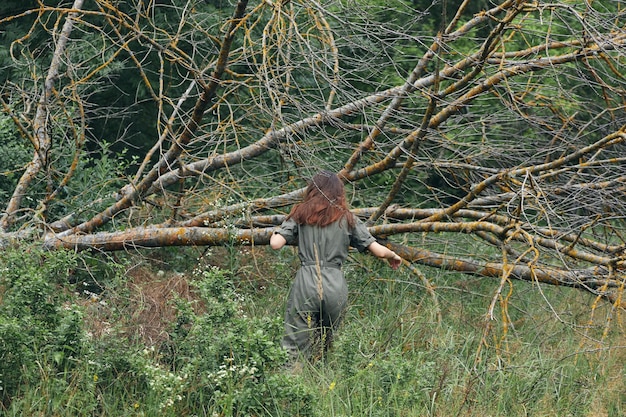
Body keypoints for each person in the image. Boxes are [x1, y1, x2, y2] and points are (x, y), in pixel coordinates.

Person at [270, 170, 402, 366]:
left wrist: (276, 232)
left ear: (313, 190)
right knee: (325, 343)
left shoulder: (301, 213)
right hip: (335, 282)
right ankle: (320, 385)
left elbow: (276, 244)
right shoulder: (347, 218)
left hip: (306, 280)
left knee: (294, 344)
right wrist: (393, 256)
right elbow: (379, 252)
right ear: (338, 192)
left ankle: (290, 386)